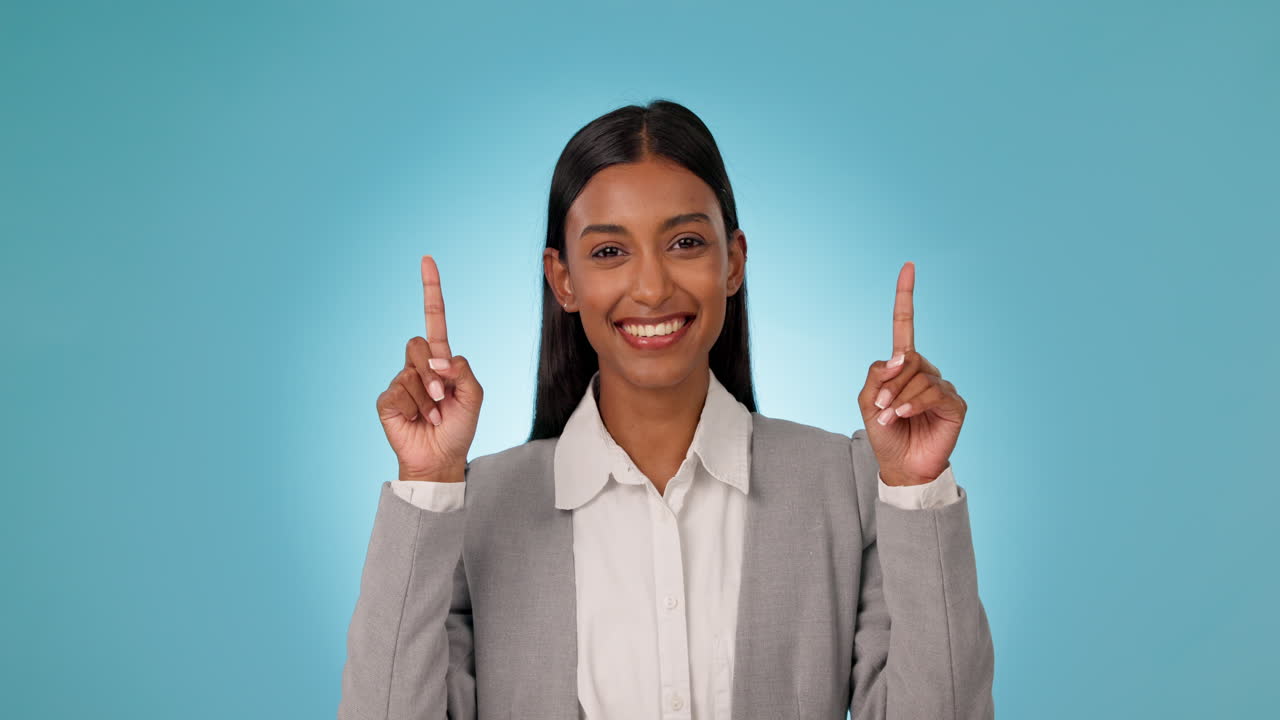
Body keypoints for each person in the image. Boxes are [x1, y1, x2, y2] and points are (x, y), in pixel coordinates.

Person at [338, 99, 995, 719]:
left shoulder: (843, 488)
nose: (651, 287)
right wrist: (426, 485)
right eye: (608, 252)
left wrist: (915, 488)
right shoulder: (474, 507)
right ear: (563, 279)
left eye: (685, 242)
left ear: (733, 262)